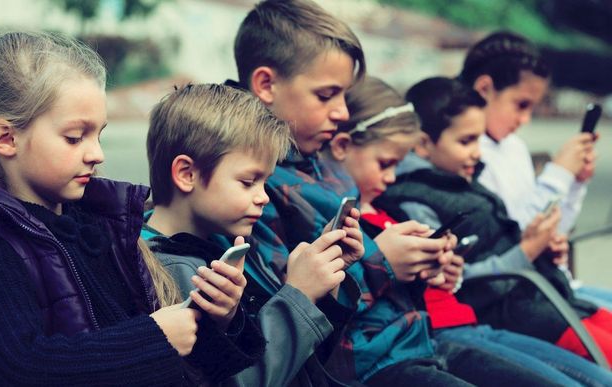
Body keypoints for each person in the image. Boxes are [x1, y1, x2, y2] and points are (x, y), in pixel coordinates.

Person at [227, 1, 561, 386]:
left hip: (410, 341)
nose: (340, 113)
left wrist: (419, 265)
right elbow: (289, 308)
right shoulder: (251, 180)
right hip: (364, 364)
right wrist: (382, 260)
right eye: (326, 95)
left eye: (344, 96)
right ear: (266, 84)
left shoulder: (313, 160)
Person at [0, 31, 264, 386]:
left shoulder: (99, 226)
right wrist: (154, 339)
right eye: (75, 137)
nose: (97, 154)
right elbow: (20, 369)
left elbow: (192, 368)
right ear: (6, 138)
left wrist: (221, 318)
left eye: (99, 135)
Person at [326, 74, 612, 387]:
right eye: (467, 141)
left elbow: (459, 272)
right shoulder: (401, 199)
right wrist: (528, 248)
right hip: (488, 314)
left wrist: (445, 268)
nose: (478, 152)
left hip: (494, 311)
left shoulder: (452, 184)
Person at [141, 83, 364, 387]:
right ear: (187, 174)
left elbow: (298, 361)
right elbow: (242, 381)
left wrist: (322, 284)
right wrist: (299, 295)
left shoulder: (226, 241)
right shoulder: (175, 271)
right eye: (248, 182)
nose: (263, 197)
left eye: (265, 182)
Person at [458, 31, 612, 311]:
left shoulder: (512, 146)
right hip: (520, 298)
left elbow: (552, 228)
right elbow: (518, 236)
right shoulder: (466, 154)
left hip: (549, 284)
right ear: (484, 89)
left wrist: (575, 181)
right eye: (521, 105)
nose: (525, 119)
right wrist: (559, 173)